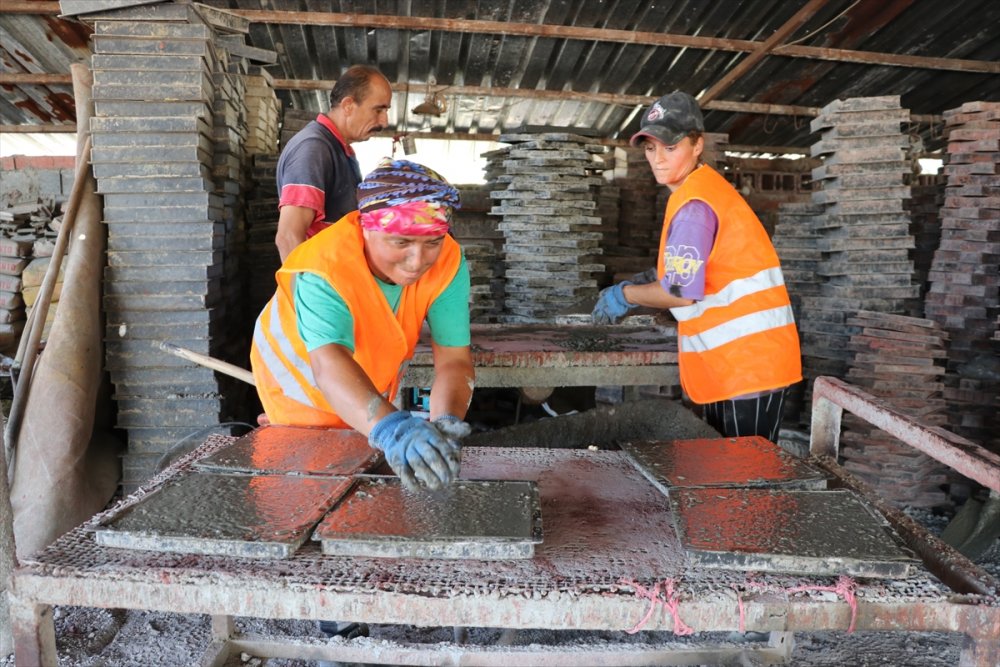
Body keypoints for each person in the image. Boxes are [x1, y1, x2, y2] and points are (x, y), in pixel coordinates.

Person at [251, 158, 475, 491]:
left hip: (367, 396)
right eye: (401, 243)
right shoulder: (323, 268)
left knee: (368, 501)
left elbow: (455, 361)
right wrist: (394, 431)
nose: (418, 262)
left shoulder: (448, 262)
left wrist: (445, 424)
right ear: (367, 228)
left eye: (432, 242)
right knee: (307, 499)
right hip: (303, 401)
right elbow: (329, 365)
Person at [592, 91, 801, 442]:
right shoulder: (704, 190)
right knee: (730, 479)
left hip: (748, 365)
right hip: (743, 363)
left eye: (670, 148)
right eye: (650, 148)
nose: (658, 159)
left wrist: (625, 295)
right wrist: (649, 280)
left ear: (697, 145)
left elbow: (680, 292)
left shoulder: (694, 205)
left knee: (744, 482)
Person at [275, 64, 393, 261]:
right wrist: (302, 291)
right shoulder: (314, 149)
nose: (384, 121)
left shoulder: (340, 148)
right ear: (348, 105)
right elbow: (288, 237)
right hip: (322, 285)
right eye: (378, 110)